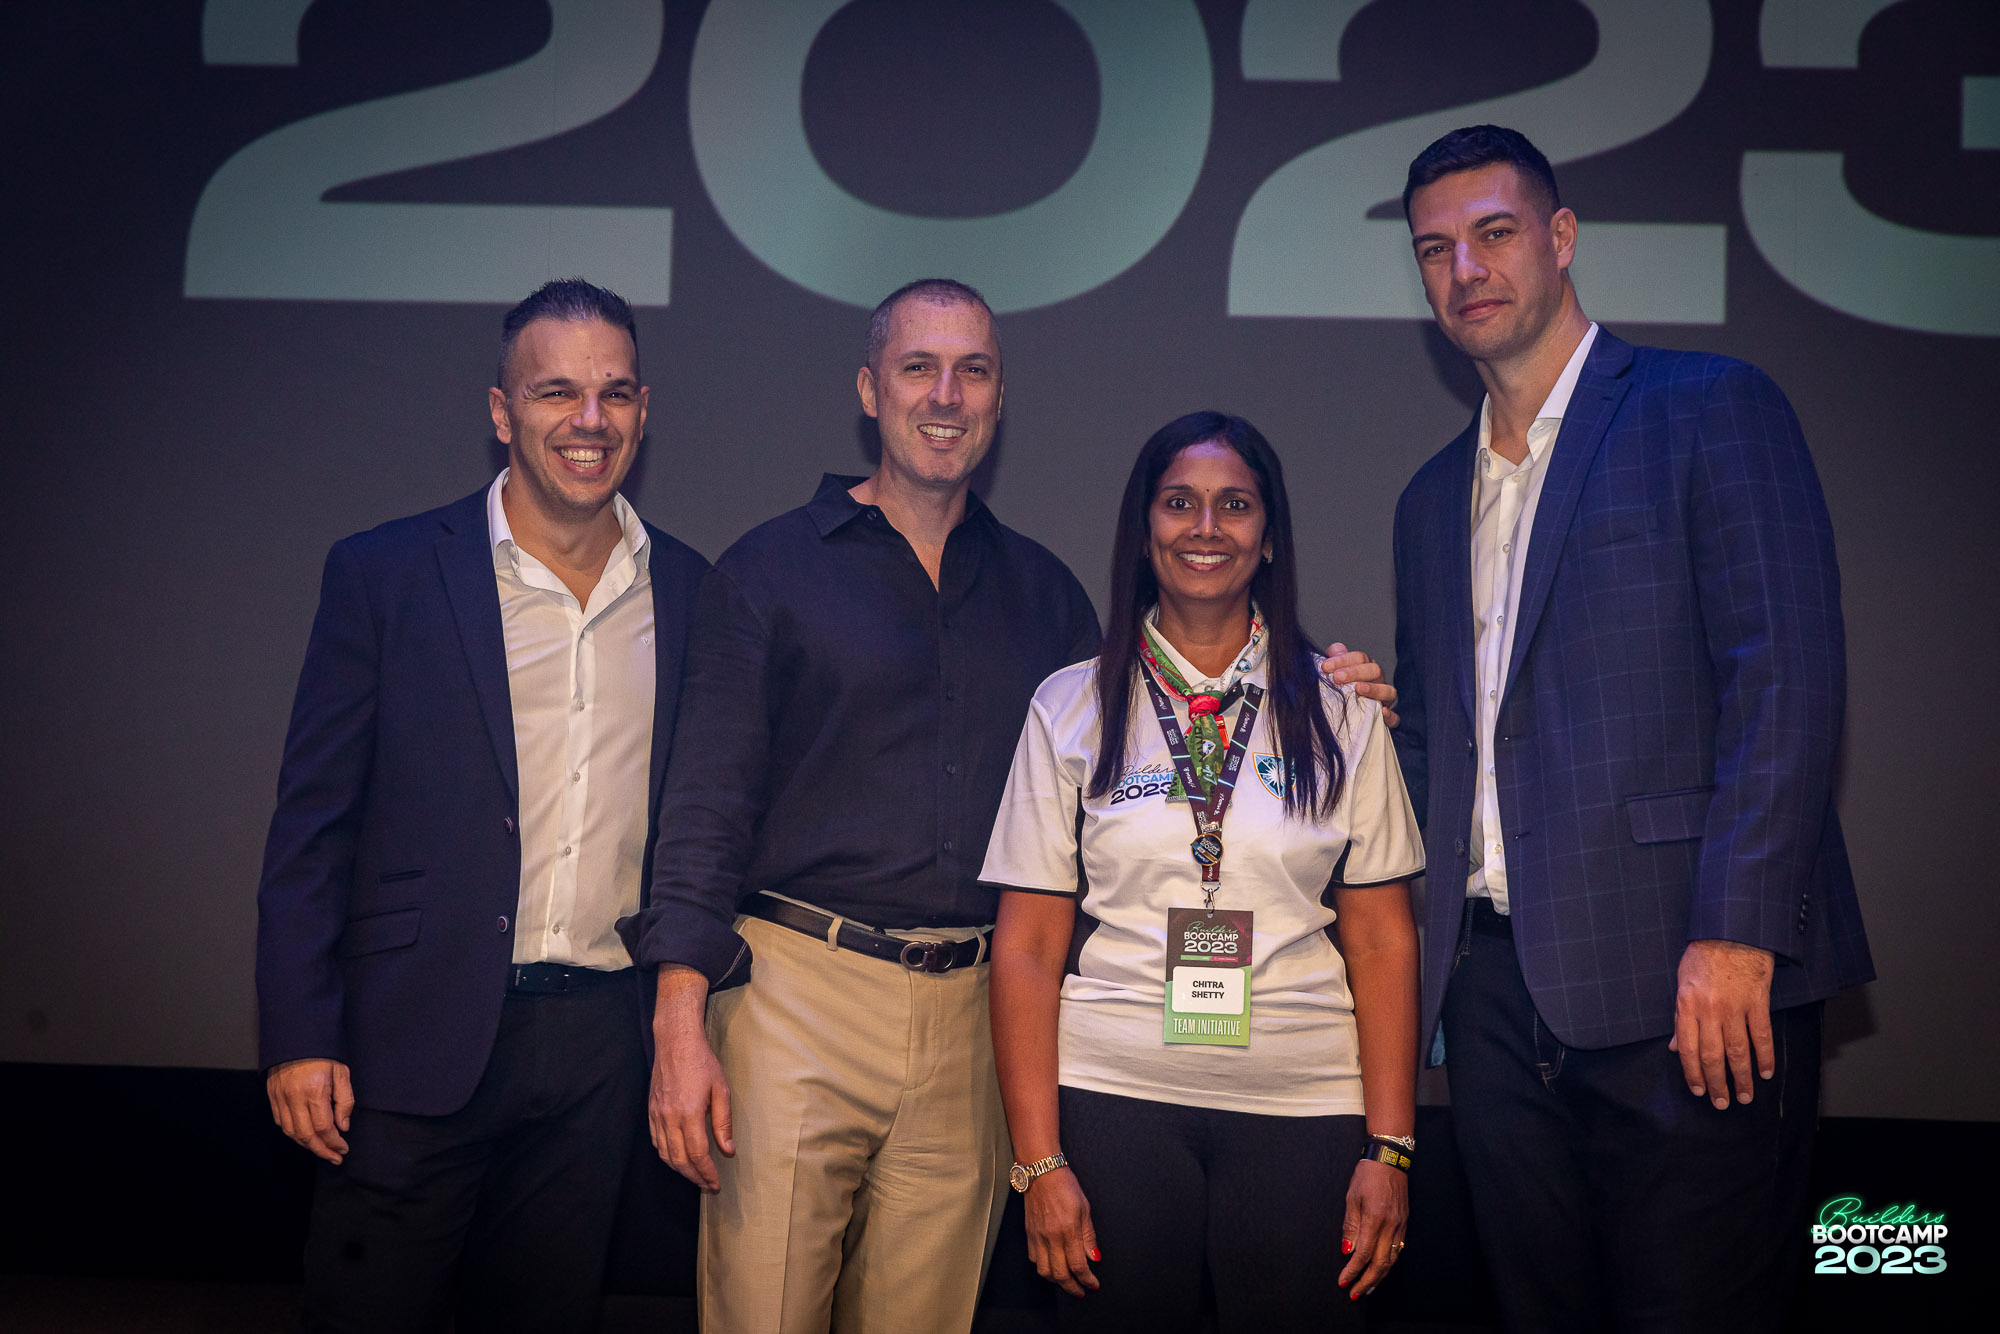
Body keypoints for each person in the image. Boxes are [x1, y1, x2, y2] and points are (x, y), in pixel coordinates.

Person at [619, 281, 1399, 1334]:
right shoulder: (769, 570)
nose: (946, 395)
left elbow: (1162, 744)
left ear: (998, 400)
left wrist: (1327, 680)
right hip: (796, 997)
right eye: (918, 368)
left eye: (973, 371)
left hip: (970, 1017)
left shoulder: (1044, 596)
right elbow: (702, 811)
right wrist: (678, 1018)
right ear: (869, 390)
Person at [1388, 125, 1875, 1330]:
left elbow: (1785, 677)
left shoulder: (1705, 406)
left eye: (1493, 233)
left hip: (1684, 980)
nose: (1464, 269)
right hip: (1490, 1001)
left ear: (1559, 238)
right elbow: (1449, 740)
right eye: (1435, 249)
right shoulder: (1425, 496)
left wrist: (1736, 932)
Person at [255, 279, 710, 1333]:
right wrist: (298, 1031)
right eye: (556, 392)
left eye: (615, 392)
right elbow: (312, 827)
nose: (589, 420)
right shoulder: (384, 574)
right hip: (411, 1037)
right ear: (502, 412)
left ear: (644, 410)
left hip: (599, 1048)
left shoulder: (692, 592)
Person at [981, 411, 1424, 1331]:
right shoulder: (1069, 706)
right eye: (1179, 503)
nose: (1206, 528)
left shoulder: (1342, 710)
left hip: (1305, 1102)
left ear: (1271, 537)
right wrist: (1038, 1163)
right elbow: (1025, 948)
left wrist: (1392, 1147)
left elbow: (1383, 941)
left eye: (1236, 505)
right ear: (1144, 532)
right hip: (1113, 1098)